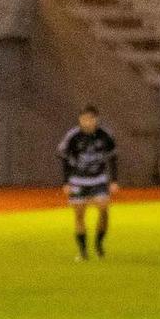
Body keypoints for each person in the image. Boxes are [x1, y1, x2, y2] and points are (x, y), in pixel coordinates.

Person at [58, 105, 117, 260]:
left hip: (99, 178)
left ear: (96, 119)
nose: (86, 122)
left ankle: (98, 244)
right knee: (79, 215)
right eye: (83, 119)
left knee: (104, 209)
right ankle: (83, 251)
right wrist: (66, 182)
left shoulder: (105, 135)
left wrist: (114, 180)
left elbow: (113, 156)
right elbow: (63, 157)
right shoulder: (73, 136)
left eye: (90, 119)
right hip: (78, 179)